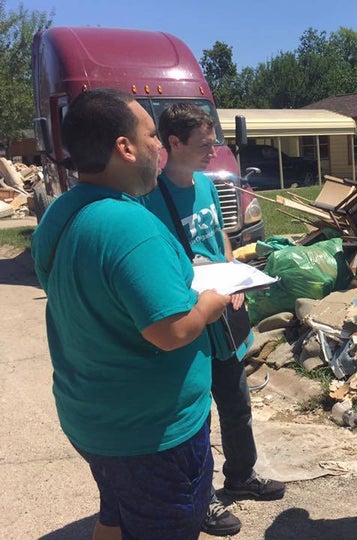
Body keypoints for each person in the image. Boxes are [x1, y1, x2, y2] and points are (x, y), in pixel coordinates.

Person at [31, 88, 231, 540]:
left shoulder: (61, 213)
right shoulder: (131, 226)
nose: (159, 145)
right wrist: (210, 304)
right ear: (125, 148)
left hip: (92, 420)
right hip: (151, 435)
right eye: (151, 136)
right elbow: (171, 329)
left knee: (115, 514)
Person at [141, 103, 285, 536]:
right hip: (188, 322)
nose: (213, 150)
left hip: (223, 320)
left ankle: (241, 477)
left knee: (237, 405)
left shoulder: (206, 185)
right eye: (205, 144)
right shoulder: (148, 198)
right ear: (173, 143)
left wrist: (232, 277)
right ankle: (200, 501)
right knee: (195, 419)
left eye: (215, 141)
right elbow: (152, 265)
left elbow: (220, 234)